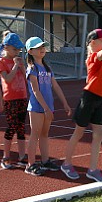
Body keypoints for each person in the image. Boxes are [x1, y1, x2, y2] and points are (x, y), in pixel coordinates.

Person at [61, 11, 102, 182]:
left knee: (98, 134)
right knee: (78, 133)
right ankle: (66, 164)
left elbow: (96, 82)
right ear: (92, 43)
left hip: (97, 98)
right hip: (88, 99)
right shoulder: (94, 58)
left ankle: (93, 169)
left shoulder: (99, 59)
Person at [25, 36, 72, 176]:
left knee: (45, 135)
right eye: (38, 47)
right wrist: (45, 108)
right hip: (37, 107)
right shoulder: (32, 69)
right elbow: (35, 90)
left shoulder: (47, 67)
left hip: (48, 106)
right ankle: (30, 164)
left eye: (43, 47)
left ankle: (45, 161)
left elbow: (55, 85)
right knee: (35, 135)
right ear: (30, 51)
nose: (42, 49)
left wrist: (65, 103)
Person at [0, 32, 28, 169]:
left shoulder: (19, 62)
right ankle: (6, 156)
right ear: (6, 47)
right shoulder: (1, 62)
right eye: (15, 49)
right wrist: (15, 66)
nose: (17, 52)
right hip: (11, 99)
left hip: (22, 97)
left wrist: (22, 67)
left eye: (19, 49)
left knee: (21, 128)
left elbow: (26, 79)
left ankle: (22, 156)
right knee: (11, 127)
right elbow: (7, 79)